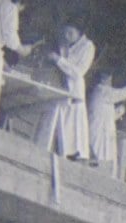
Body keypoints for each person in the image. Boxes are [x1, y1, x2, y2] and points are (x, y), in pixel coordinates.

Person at [48, 19, 95, 160]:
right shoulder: (66, 45)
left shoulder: (88, 46)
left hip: (75, 92)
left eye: (70, 33)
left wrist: (58, 60)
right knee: (64, 136)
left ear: (80, 33)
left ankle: (76, 158)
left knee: (76, 136)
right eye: (65, 33)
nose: (67, 36)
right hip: (63, 91)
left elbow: (78, 72)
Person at [87, 71, 126, 170]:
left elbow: (110, 117)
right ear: (103, 79)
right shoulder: (101, 90)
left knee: (105, 160)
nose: (110, 83)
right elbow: (122, 93)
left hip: (103, 132)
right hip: (98, 132)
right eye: (109, 80)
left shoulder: (104, 96)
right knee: (99, 158)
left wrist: (124, 107)